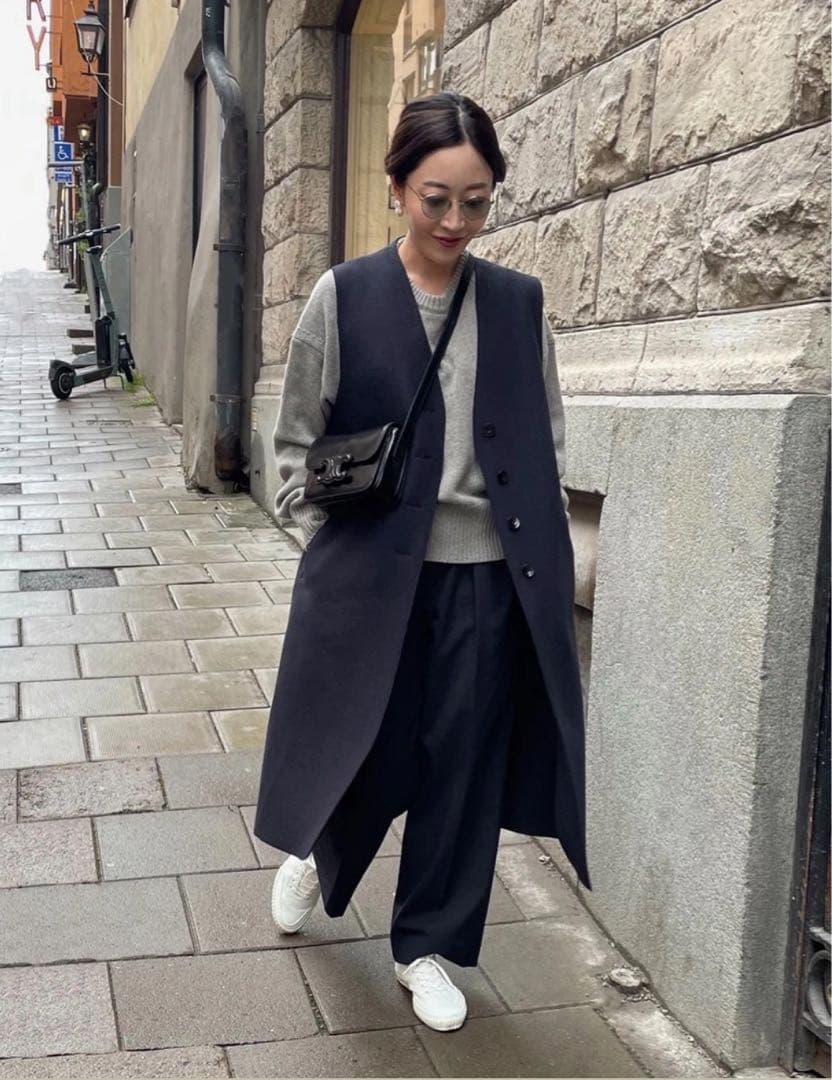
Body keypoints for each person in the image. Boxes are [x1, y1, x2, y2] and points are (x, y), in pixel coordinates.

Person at [254, 90, 591, 1034]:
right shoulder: (344, 297)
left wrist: (547, 552)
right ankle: (318, 850)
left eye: (476, 202)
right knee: (368, 743)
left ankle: (426, 947)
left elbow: (546, 440)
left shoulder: (517, 304)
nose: (455, 221)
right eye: (436, 199)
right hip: (373, 579)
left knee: (465, 765)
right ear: (396, 187)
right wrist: (324, 543)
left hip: (488, 579)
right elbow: (294, 444)